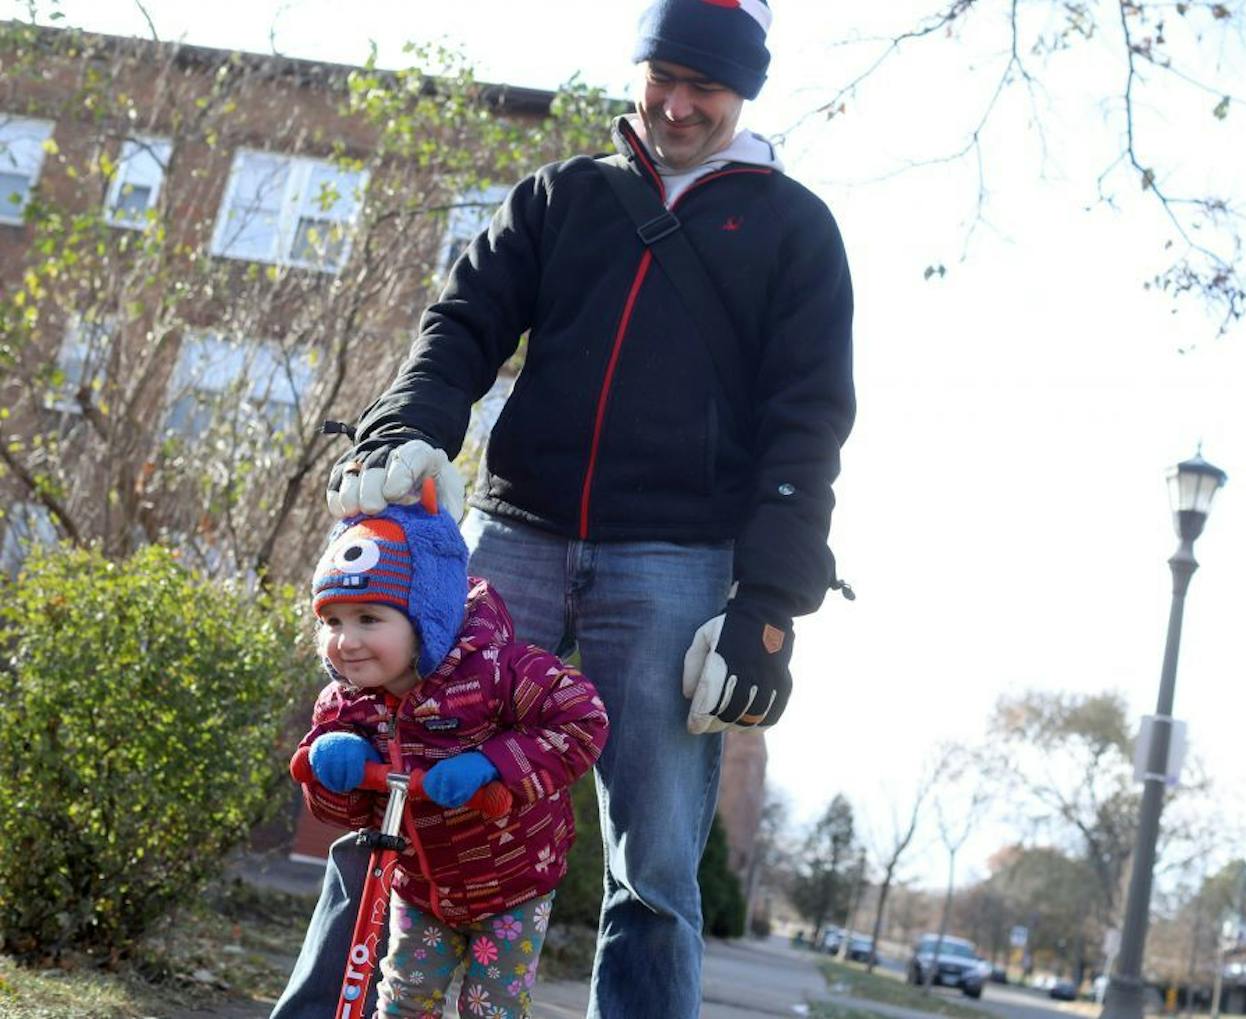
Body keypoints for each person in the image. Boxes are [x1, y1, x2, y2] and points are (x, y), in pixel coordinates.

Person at [276, 0, 855, 1015]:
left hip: (676, 560)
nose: (676, 105)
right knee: (394, 794)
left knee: (655, 863)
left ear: (746, 91)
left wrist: (766, 602)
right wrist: (404, 429)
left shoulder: (793, 229)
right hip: (517, 535)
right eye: (661, 75)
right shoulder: (560, 196)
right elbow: (461, 322)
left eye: (705, 89)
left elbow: (806, 422)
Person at [293, 487, 609, 1017]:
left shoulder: (495, 670)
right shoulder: (346, 704)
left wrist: (493, 765)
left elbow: (582, 718)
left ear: (426, 618)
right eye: (333, 621)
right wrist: (332, 766)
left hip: (514, 881)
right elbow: (346, 812)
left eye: (369, 619)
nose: (346, 641)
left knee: (492, 1008)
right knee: (403, 1001)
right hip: (422, 888)